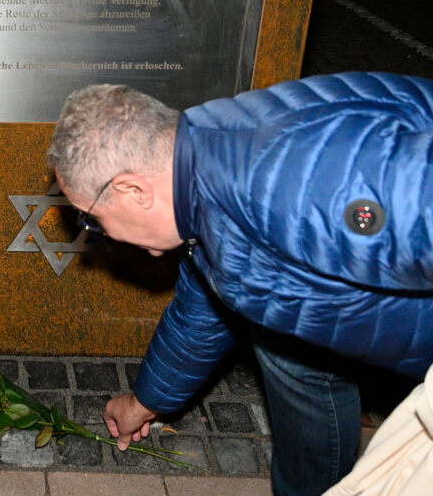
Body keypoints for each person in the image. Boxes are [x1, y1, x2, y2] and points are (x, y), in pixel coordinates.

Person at [46, 73, 433, 496]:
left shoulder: (300, 185)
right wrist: (145, 403)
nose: (101, 232)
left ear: (133, 190)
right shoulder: (198, 172)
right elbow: (205, 304)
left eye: (93, 218)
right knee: (285, 348)